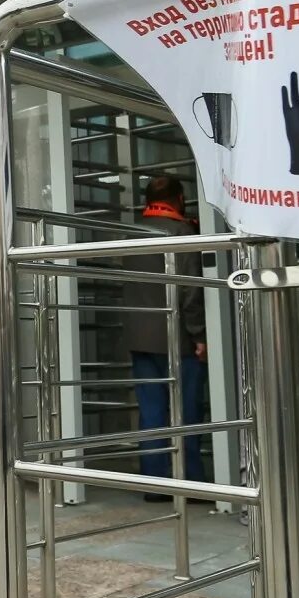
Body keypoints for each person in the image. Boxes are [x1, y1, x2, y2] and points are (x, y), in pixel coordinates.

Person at [121, 175, 208, 501]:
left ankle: (156, 484)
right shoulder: (182, 232)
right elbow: (190, 290)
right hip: (178, 338)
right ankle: (191, 483)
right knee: (187, 411)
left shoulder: (132, 233)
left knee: (152, 411)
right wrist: (200, 335)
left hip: (141, 337)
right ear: (180, 198)